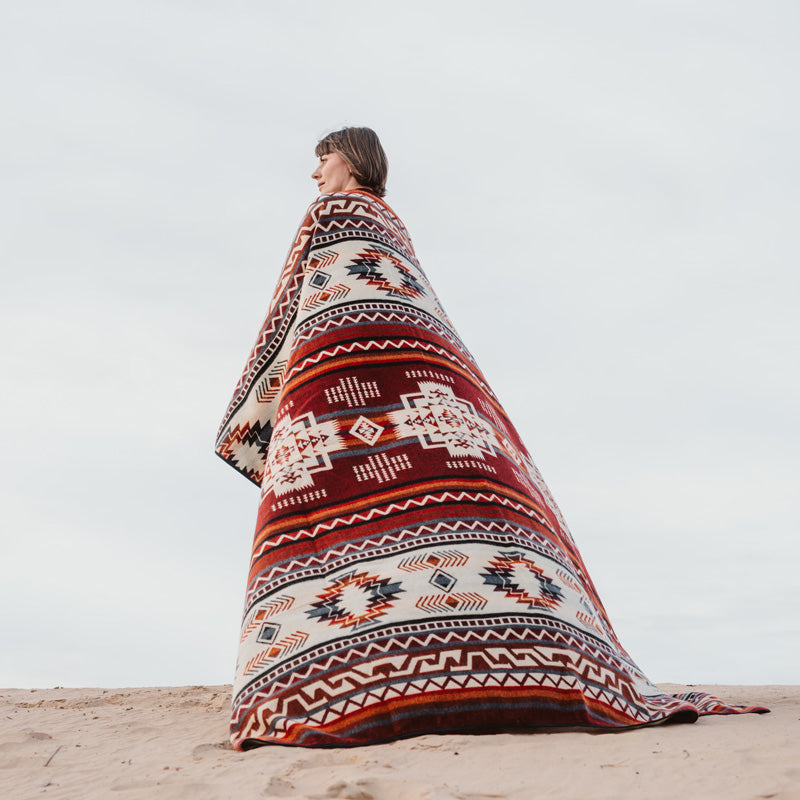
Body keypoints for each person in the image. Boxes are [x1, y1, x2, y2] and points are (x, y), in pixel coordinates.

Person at [215, 127, 766, 750]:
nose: (315, 174)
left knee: (323, 508)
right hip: (413, 379)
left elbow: (299, 302)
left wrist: (270, 395)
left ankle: (348, 676)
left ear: (353, 160)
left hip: (342, 385)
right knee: (457, 499)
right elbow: (409, 309)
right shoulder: (393, 222)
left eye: (323, 159)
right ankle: (508, 657)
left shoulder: (336, 212)